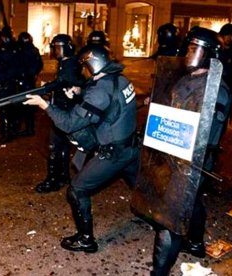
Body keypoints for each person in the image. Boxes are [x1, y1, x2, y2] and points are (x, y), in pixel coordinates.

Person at [132, 27, 232, 276]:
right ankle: (196, 243)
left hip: (192, 160)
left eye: (195, 49)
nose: (189, 53)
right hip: (171, 153)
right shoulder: (185, 77)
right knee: (192, 200)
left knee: (170, 219)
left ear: (210, 54)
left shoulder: (216, 89)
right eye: (188, 47)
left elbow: (206, 132)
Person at [24, 44, 140, 252]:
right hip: (131, 147)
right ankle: (153, 217)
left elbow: (69, 123)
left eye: (86, 67)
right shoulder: (121, 79)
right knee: (140, 186)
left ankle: (86, 239)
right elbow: (105, 101)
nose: (85, 72)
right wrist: (80, 92)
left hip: (114, 153)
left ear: (93, 64)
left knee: (77, 190)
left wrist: (45, 105)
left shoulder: (99, 90)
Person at [33, 34, 85, 193]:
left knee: (55, 146)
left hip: (64, 110)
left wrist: (47, 88)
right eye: (55, 48)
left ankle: (53, 180)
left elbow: (64, 82)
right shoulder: (67, 63)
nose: (56, 51)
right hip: (64, 108)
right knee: (61, 146)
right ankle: (62, 176)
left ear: (68, 47)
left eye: (59, 48)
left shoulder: (70, 64)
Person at [0, 27, 22, 144]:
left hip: (7, 83)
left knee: (5, 109)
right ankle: (6, 131)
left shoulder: (8, 51)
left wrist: (2, 80)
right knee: (6, 109)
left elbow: (8, 67)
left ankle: (6, 134)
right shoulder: (11, 49)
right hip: (7, 82)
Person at [16, 32, 43, 136]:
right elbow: (40, 64)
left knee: (24, 105)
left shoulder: (22, 51)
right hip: (30, 80)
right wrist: (34, 73)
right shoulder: (34, 50)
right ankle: (29, 128)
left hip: (24, 80)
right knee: (29, 105)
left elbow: (19, 66)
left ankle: (27, 129)